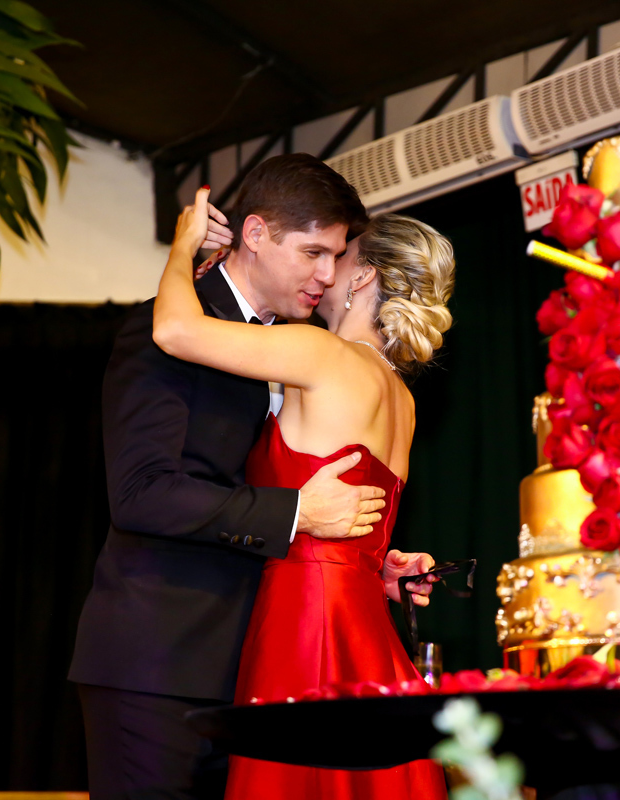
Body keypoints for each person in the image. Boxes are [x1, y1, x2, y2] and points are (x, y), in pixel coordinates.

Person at [69, 154, 436, 800]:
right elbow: (140, 494)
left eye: (337, 257)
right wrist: (298, 515)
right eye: (314, 253)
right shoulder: (165, 329)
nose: (326, 274)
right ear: (257, 234)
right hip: (161, 665)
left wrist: (357, 557)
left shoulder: (296, 349)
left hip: (263, 668)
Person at [153, 183, 455, 799]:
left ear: (363, 276)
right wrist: (381, 567)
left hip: (305, 617)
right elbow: (359, 527)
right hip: (365, 624)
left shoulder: (321, 354)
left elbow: (175, 331)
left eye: (338, 257)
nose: (323, 270)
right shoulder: (403, 399)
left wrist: (182, 247)